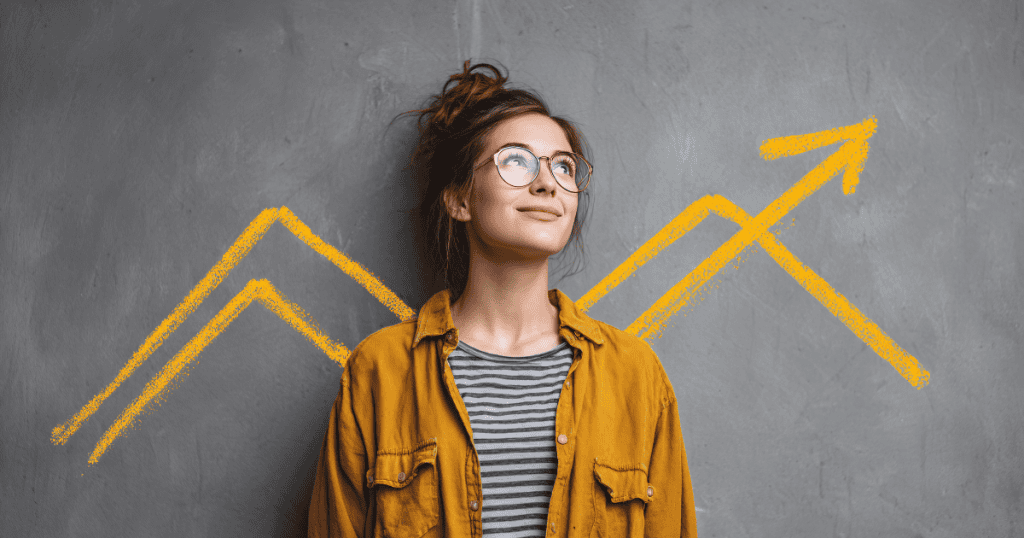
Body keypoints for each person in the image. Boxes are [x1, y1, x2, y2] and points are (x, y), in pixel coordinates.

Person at [308, 61, 697, 538]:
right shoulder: (379, 372)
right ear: (460, 200)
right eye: (516, 160)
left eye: (564, 166)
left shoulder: (635, 375)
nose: (547, 183)